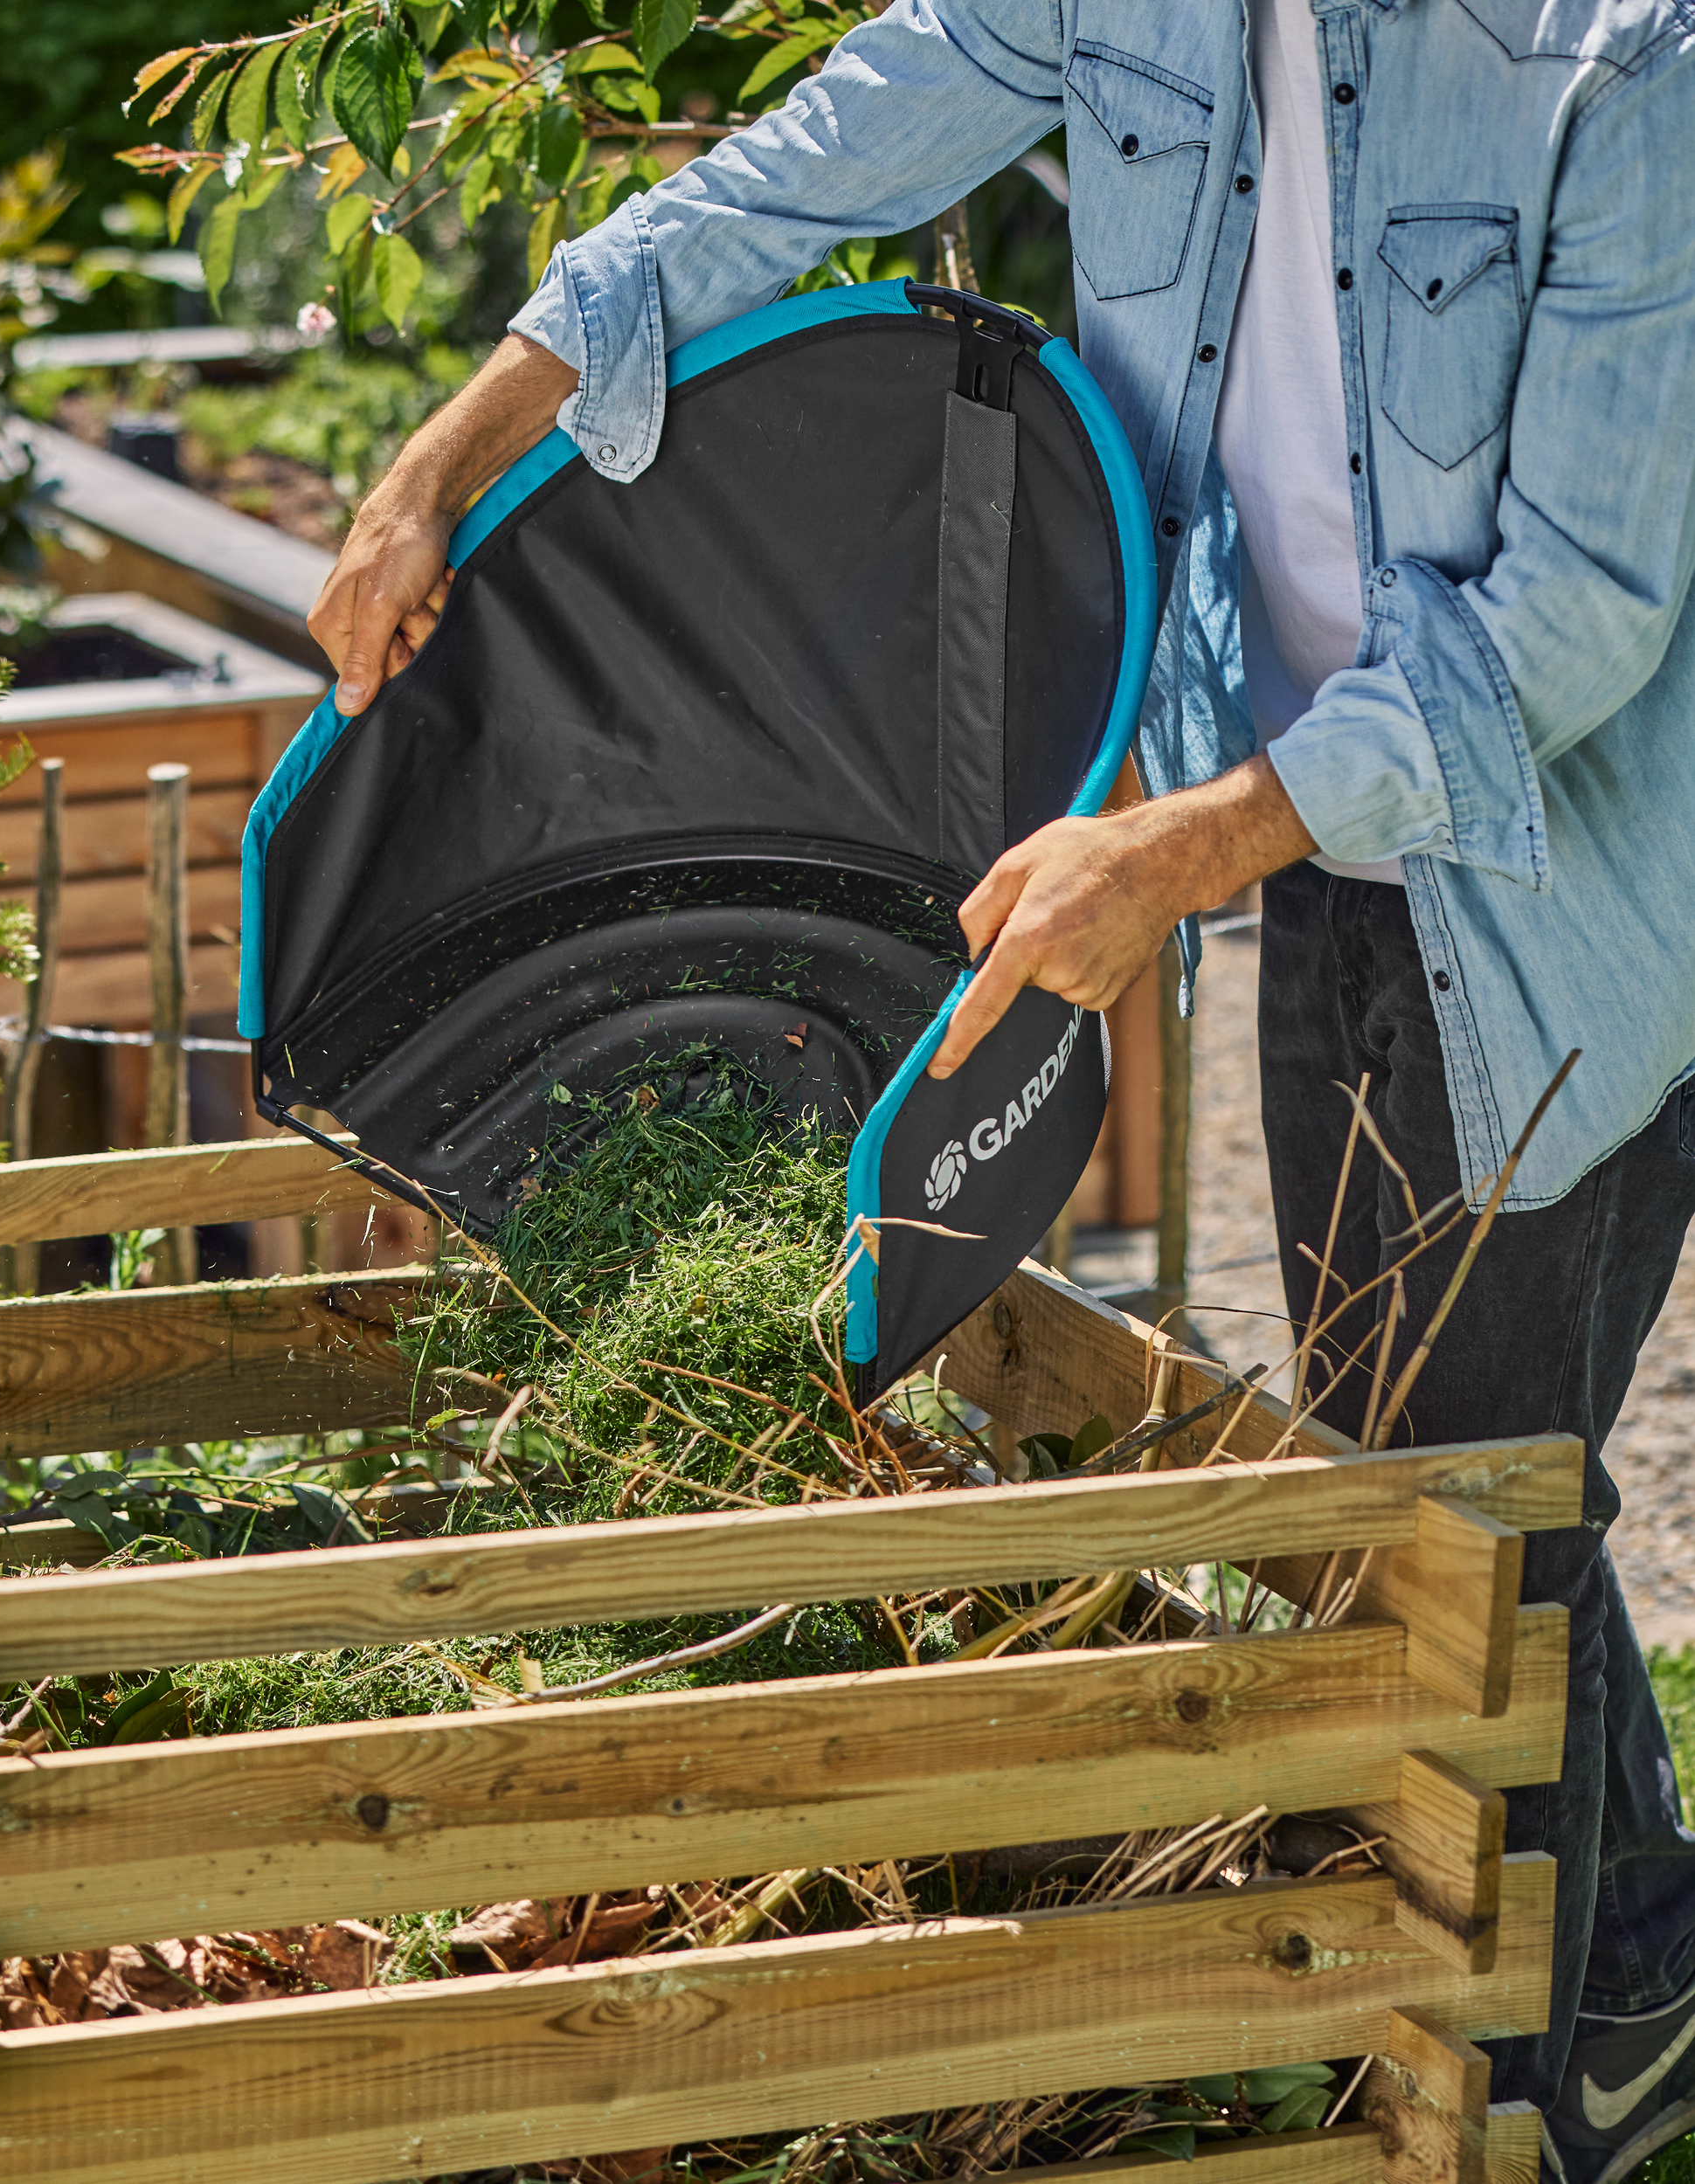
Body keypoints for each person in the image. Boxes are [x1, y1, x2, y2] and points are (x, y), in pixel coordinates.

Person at [306, 0, 1695, 2170]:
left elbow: (1577, 618)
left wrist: (1179, 846)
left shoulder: (1614, 68)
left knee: (1452, 1514)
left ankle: (1512, 2093)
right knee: (1410, 1449)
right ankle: (1631, 1975)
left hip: (1562, 867)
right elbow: (802, 165)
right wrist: (441, 461)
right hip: (1311, 830)